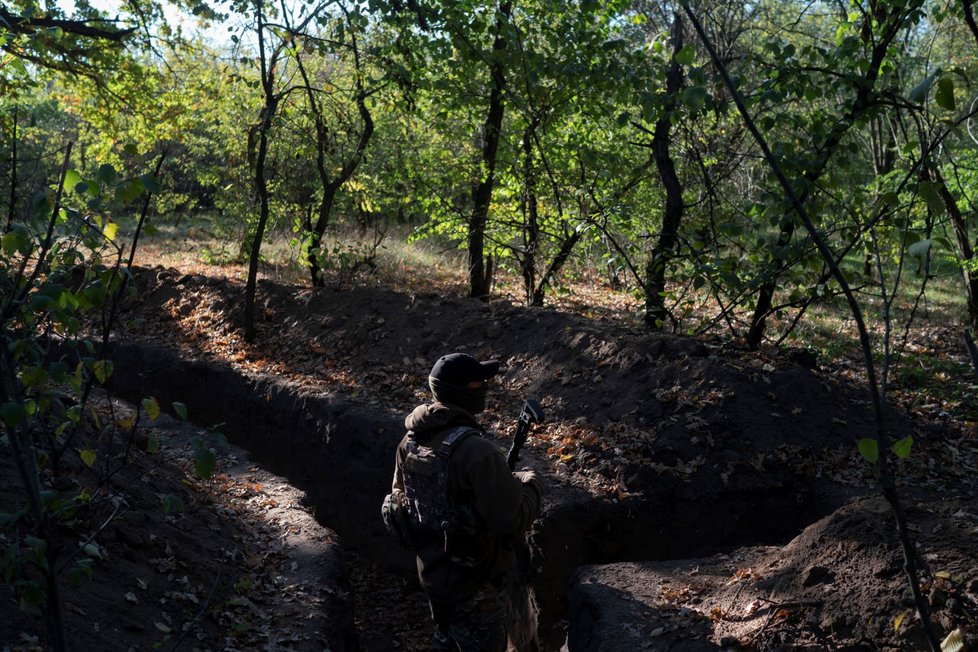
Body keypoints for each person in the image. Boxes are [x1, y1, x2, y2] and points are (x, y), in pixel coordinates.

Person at [384, 352, 544, 652]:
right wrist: (533, 483)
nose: (485, 386)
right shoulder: (477, 452)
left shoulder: (410, 441)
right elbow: (510, 522)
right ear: (464, 392)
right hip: (474, 584)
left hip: (432, 576)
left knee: (445, 640)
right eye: (479, 382)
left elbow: (405, 499)